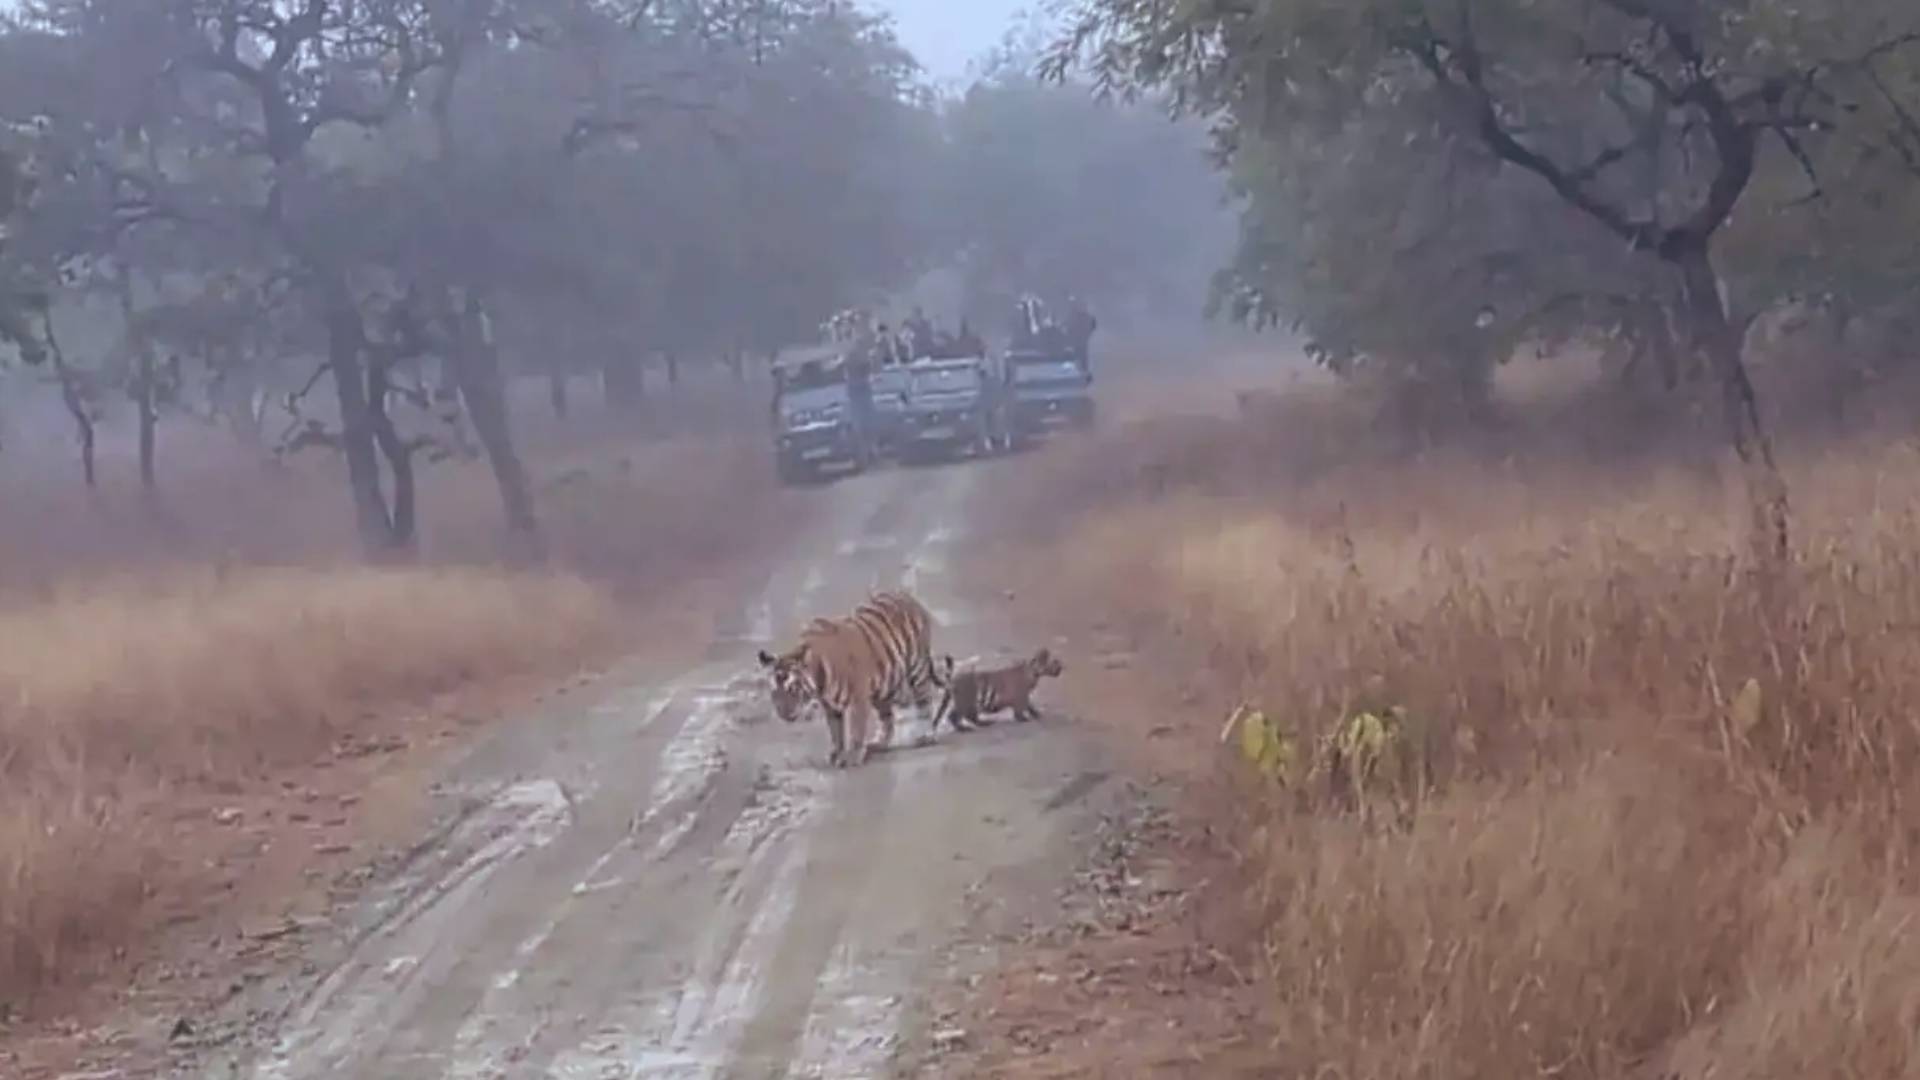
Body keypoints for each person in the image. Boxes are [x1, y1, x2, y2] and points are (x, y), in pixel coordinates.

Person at [1066, 296, 1097, 372]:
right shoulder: (1075, 316)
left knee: (1083, 355)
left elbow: (1093, 326)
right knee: (1078, 355)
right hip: (1078, 340)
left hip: (1083, 340)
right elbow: (1070, 327)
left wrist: (1087, 334)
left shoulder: (1086, 317)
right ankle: (1080, 370)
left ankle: (1083, 370)